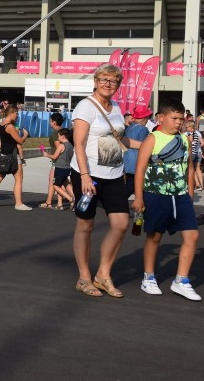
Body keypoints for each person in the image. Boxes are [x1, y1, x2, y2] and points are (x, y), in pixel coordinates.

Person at [69, 64, 142, 298]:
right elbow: (78, 143)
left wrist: (152, 146)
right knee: (85, 225)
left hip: (113, 174)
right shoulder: (86, 106)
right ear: (96, 80)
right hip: (88, 174)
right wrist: (84, 175)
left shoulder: (117, 108)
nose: (108, 84)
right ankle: (83, 277)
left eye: (114, 81)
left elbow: (123, 141)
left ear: (118, 85)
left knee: (121, 223)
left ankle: (103, 274)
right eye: (104, 80)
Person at [133, 98, 201, 301]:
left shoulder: (185, 140)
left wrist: (190, 193)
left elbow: (189, 169)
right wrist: (139, 198)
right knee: (155, 236)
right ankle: (148, 277)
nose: (178, 122)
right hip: (155, 194)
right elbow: (140, 169)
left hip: (180, 196)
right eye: (174, 118)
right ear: (161, 117)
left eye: (181, 118)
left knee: (193, 237)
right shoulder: (152, 139)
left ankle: (181, 280)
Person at [0, 105, 31, 210]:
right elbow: (20, 141)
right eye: (16, 113)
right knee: (19, 179)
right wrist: (25, 135)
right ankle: (18, 203)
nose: (17, 116)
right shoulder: (9, 126)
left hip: (4, 154)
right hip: (13, 155)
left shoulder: (1, 124)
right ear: (11, 113)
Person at [41, 128, 75, 209]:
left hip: (60, 168)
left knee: (56, 186)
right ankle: (74, 198)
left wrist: (47, 155)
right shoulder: (70, 145)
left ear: (63, 137)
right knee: (66, 183)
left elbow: (55, 156)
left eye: (59, 136)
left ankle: (71, 199)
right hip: (67, 168)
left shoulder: (61, 146)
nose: (58, 138)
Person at [123, 105, 153, 197]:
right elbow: (144, 146)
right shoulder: (143, 129)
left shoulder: (129, 127)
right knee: (134, 185)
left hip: (127, 160)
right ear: (144, 118)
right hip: (136, 161)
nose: (148, 120)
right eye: (147, 117)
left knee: (131, 184)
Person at [44, 112, 65, 207]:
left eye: (50, 121)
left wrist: (49, 155)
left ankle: (49, 202)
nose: (49, 123)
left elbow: (59, 147)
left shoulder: (55, 133)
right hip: (67, 160)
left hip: (58, 160)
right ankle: (59, 202)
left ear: (54, 122)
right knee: (64, 182)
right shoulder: (65, 131)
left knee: (52, 180)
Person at [184, 118, 204, 191]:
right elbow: (202, 143)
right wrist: (198, 147)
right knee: (198, 168)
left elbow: (189, 142)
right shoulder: (198, 133)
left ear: (190, 127)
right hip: (198, 152)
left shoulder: (187, 134)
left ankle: (197, 184)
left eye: (187, 127)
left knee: (191, 169)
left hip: (191, 153)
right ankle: (202, 184)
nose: (186, 128)